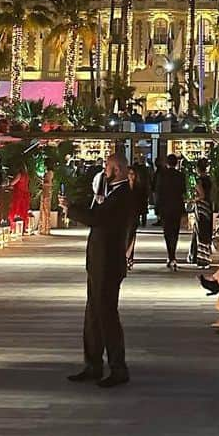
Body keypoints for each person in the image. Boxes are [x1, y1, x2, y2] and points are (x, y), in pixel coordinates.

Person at [67, 151, 134, 387]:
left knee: (106, 314)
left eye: (107, 167)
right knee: (93, 313)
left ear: (116, 170)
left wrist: (71, 208)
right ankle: (93, 363)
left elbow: (98, 219)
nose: (104, 170)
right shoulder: (112, 193)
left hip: (108, 263)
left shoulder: (123, 195)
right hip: (98, 261)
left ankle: (118, 367)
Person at [154, 154, 186, 270]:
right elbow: (183, 190)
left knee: (167, 232)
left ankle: (170, 255)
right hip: (176, 206)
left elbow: (158, 191)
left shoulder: (162, 175)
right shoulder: (180, 175)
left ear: (167, 163)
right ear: (176, 163)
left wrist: (157, 208)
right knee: (175, 232)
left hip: (165, 207)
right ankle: (173, 255)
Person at [188, 172, 214, 266]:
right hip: (207, 207)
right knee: (205, 231)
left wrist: (194, 200)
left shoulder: (200, 181)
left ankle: (201, 257)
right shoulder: (209, 180)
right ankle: (200, 256)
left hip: (201, 208)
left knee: (201, 231)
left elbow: (201, 196)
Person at [124, 164, 145, 270]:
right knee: (124, 236)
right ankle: (124, 257)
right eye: (129, 174)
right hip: (124, 215)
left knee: (131, 235)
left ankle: (129, 258)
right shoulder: (123, 188)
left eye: (132, 174)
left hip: (134, 215)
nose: (131, 176)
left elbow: (142, 201)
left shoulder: (138, 187)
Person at [7, 162, 31, 234]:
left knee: (14, 211)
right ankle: (23, 228)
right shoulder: (26, 175)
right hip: (25, 195)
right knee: (23, 212)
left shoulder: (20, 175)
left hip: (18, 195)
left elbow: (13, 183)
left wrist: (9, 184)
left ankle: (13, 228)